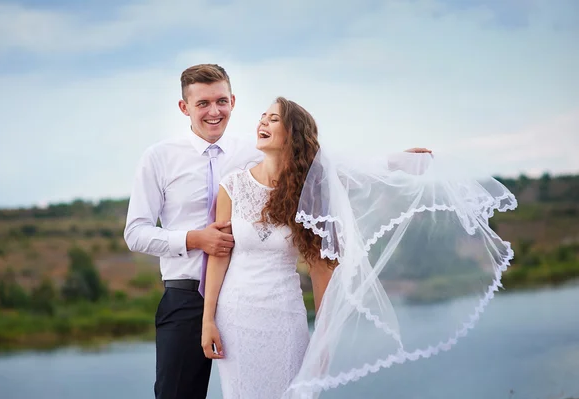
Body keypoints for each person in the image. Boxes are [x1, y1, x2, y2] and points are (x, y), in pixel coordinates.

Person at [200, 96, 433, 398]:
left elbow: (322, 270)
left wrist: (323, 339)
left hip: (284, 315)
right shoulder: (232, 185)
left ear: (292, 134)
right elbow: (218, 256)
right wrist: (208, 320)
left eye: (273, 119)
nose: (262, 123)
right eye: (262, 117)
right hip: (234, 317)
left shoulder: (310, 192)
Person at [124, 64, 261, 399]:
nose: (214, 111)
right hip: (185, 298)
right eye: (203, 104)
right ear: (185, 107)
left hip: (248, 294)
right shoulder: (158, 157)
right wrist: (195, 239)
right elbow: (136, 233)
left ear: (233, 101)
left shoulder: (255, 151)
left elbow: (317, 164)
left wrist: (397, 164)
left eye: (221, 101)